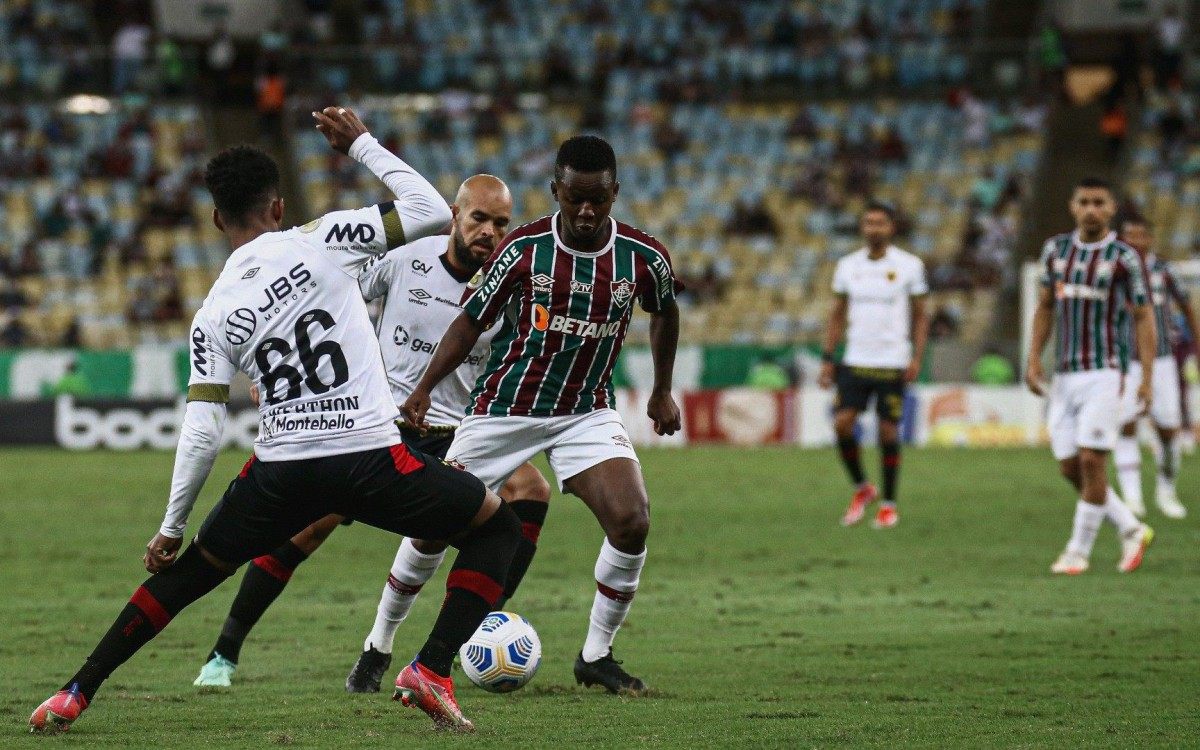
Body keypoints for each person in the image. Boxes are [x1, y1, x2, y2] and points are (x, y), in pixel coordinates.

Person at [30, 107, 519, 734]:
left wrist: (171, 527)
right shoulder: (320, 240)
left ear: (215, 220)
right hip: (370, 457)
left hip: (281, 471)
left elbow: (203, 431)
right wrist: (361, 144)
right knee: (496, 527)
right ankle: (429, 668)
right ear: (278, 208)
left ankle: (76, 691)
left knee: (188, 576)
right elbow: (427, 210)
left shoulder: (211, 314)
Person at [190, 175, 551, 695]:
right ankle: (225, 650)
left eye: (501, 223)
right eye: (479, 219)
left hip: (454, 433)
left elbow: (525, 354)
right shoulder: (409, 257)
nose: (490, 232)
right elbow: (323, 299)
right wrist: (277, 371)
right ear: (455, 215)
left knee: (530, 490)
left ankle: (480, 623)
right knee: (306, 530)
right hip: (374, 423)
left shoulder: (509, 286)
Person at [401, 134, 682, 695]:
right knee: (434, 524)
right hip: (506, 406)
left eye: (597, 200)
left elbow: (665, 313)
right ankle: (380, 642)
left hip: (586, 410)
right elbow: (470, 321)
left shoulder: (644, 257)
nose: (585, 210)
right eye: (573, 197)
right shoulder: (525, 248)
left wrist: (661, 392)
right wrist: (425, 388)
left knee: (632, 521)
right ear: (556, 189)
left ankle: (596, 656)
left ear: (615, 194)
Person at [1025, 178, 1156, 576]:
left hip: (1106, 372)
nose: (1091, 210)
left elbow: (1143, 315)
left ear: (1111, 208)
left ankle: (1077, 552)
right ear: (1072, 206)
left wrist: (1146, 376)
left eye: (1099, 202)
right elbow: (1046, 306)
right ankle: (1132, 528)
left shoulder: (1124, 258)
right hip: (1065, 376)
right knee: (1070, 468)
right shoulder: (1056, 250)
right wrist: (1033, 359)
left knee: (1092, 460)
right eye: (1084, 202)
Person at [818, 201, 929, 529]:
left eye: (880, 223)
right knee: (842, 425)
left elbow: (921, 316)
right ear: (862, 228)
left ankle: (889, 503)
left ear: (891, 227)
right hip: (855, 359)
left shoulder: (909, 265)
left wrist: (917, 357)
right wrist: (828, 358)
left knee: (887, 430)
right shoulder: (847, 266)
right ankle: (863, 488)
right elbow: (837, 313)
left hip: (892, 361)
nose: (874, 229)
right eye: (868, 223)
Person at [1113, 216, 1197, 518]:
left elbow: (1188, 307)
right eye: (1129, 236)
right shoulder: (1112, 271)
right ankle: (1133, 498)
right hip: (1124, 361)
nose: (1135, 241)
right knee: (1126, 425)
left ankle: (1166, 491)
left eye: (1140, 236)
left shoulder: (1165, 271)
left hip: (1162, 361)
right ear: (1122, 239)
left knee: (1168, 430)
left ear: (1150, 239)